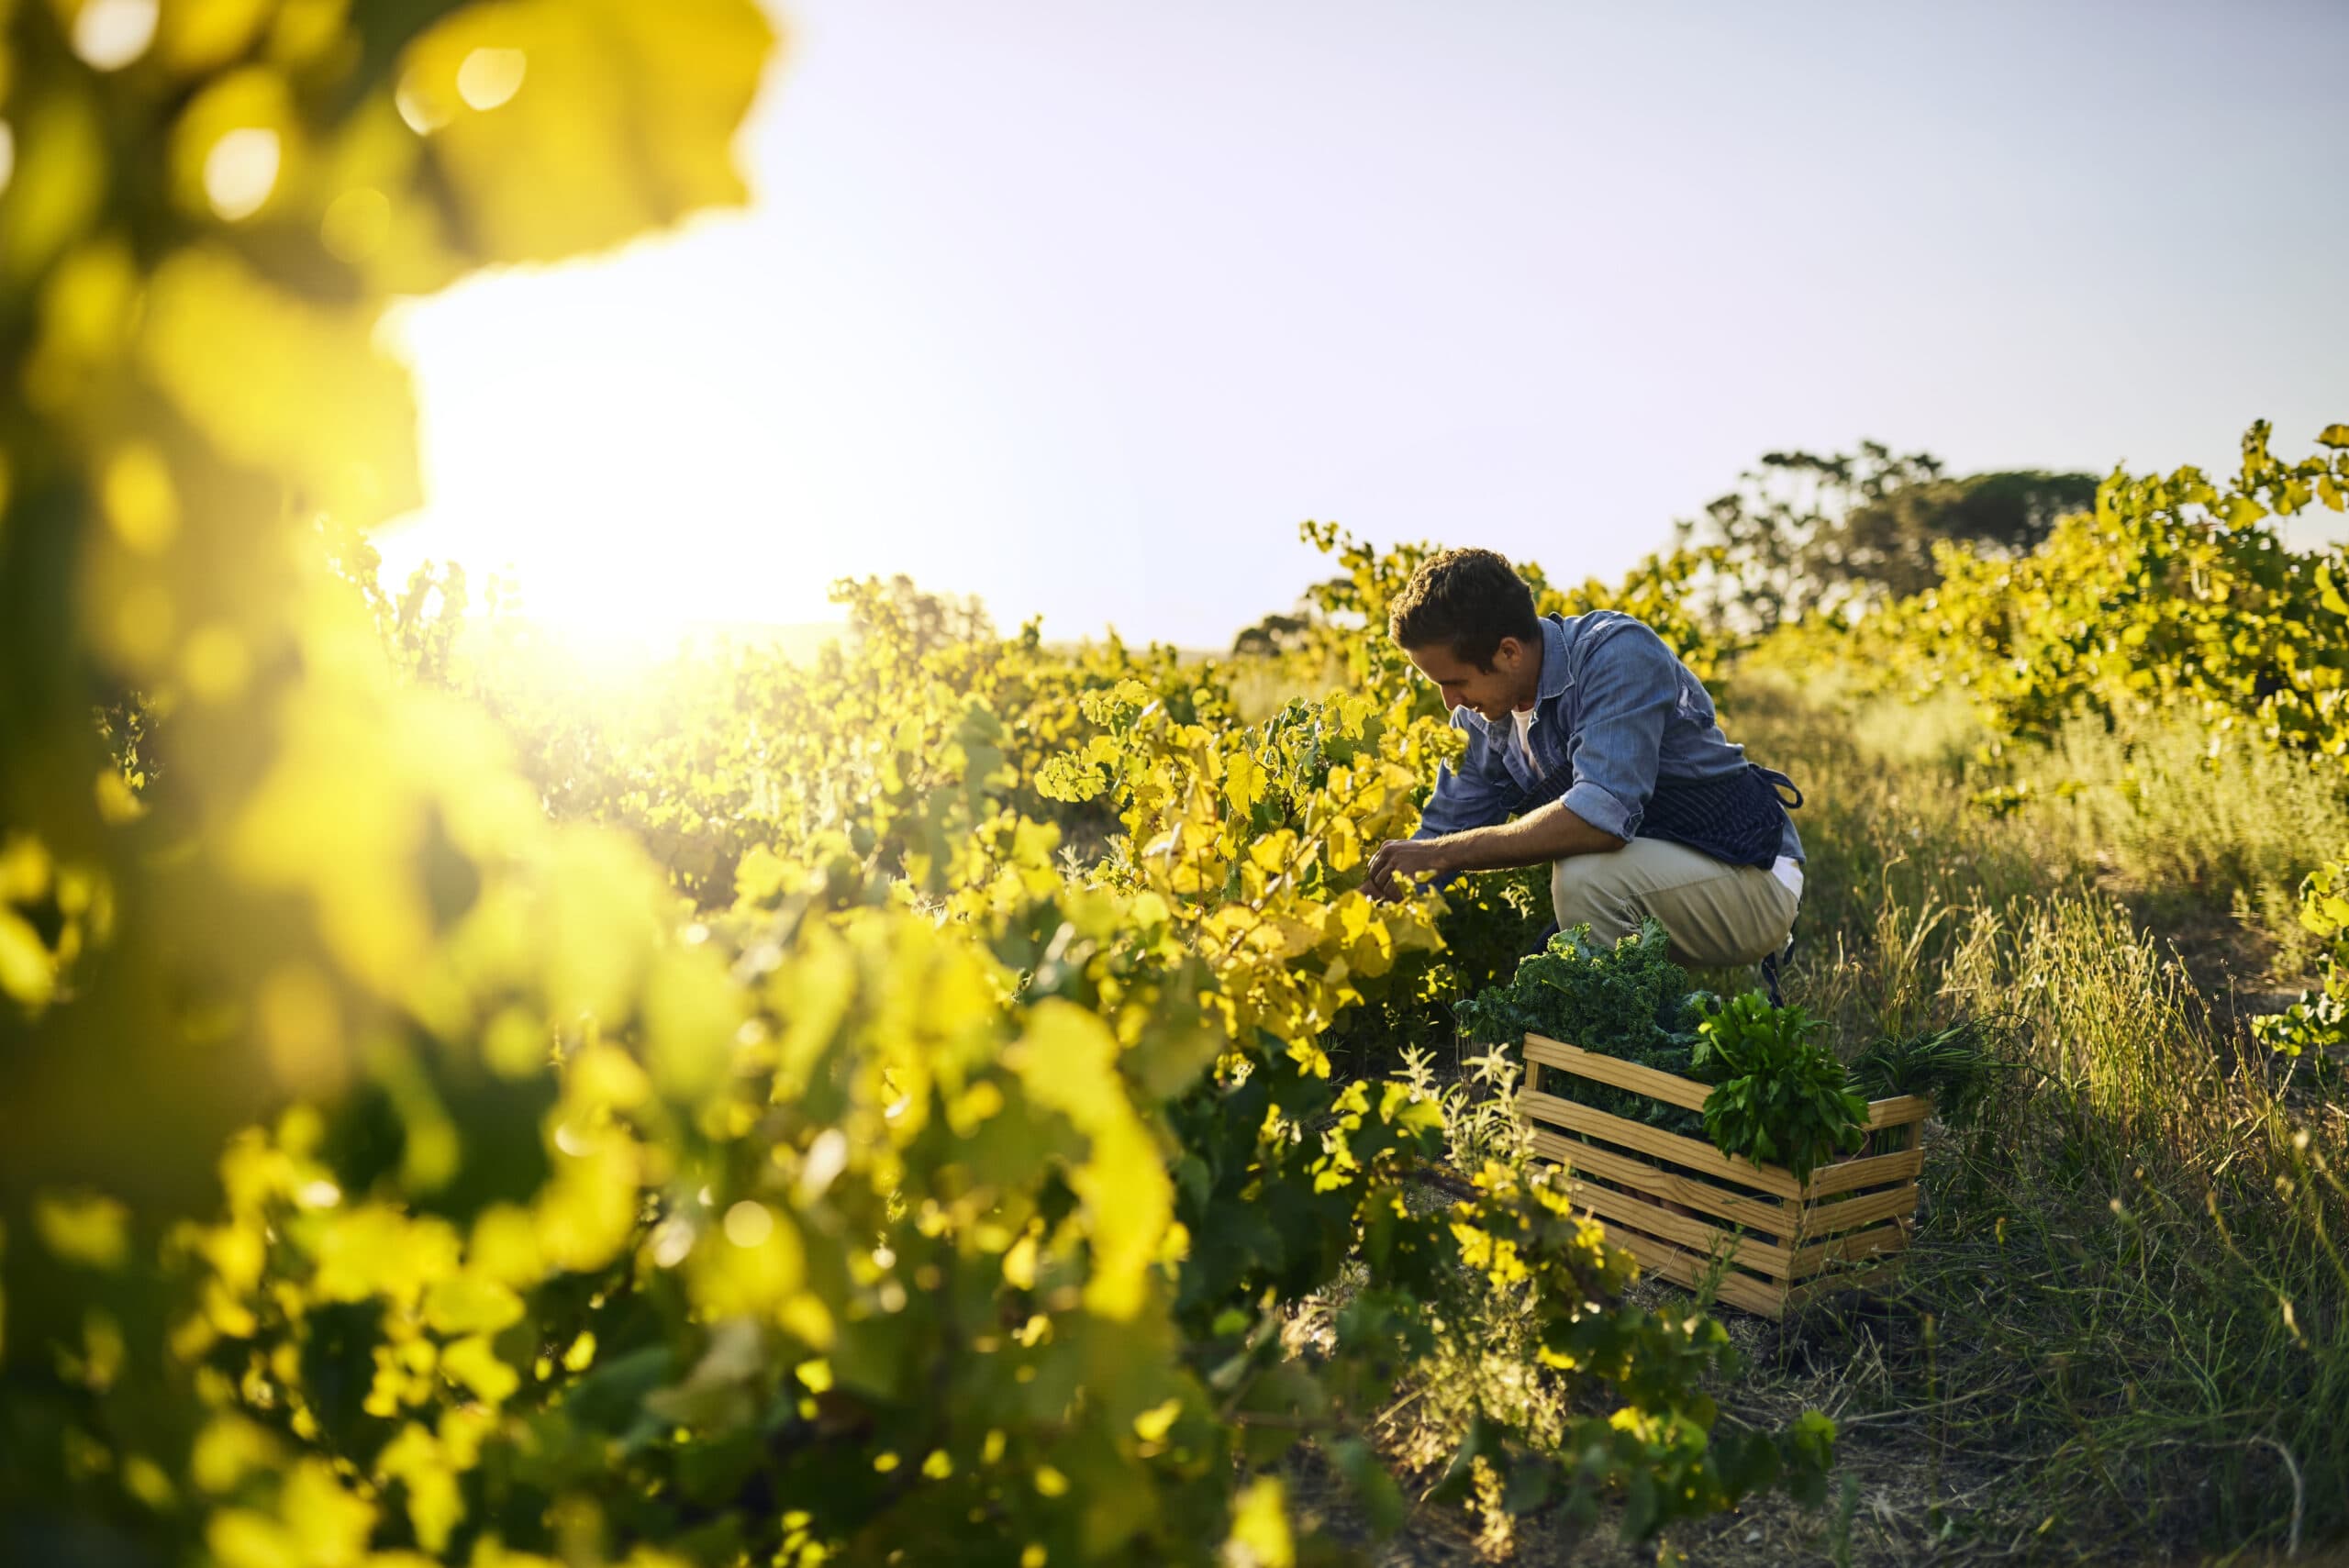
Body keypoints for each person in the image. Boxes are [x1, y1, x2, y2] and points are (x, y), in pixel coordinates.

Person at [1363, 548, 1803, 973]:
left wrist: (1442, 853)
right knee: (1547, 967)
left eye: (1454, 682)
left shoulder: (1616, 654)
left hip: (1749, 871)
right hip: (1658, 872)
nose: (1449, 702)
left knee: (1585, 878)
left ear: (1509, 652)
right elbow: (1442, 835)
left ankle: (1641, 1046)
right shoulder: (1480, 719)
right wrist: (1352, 919)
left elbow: (1600, 818)